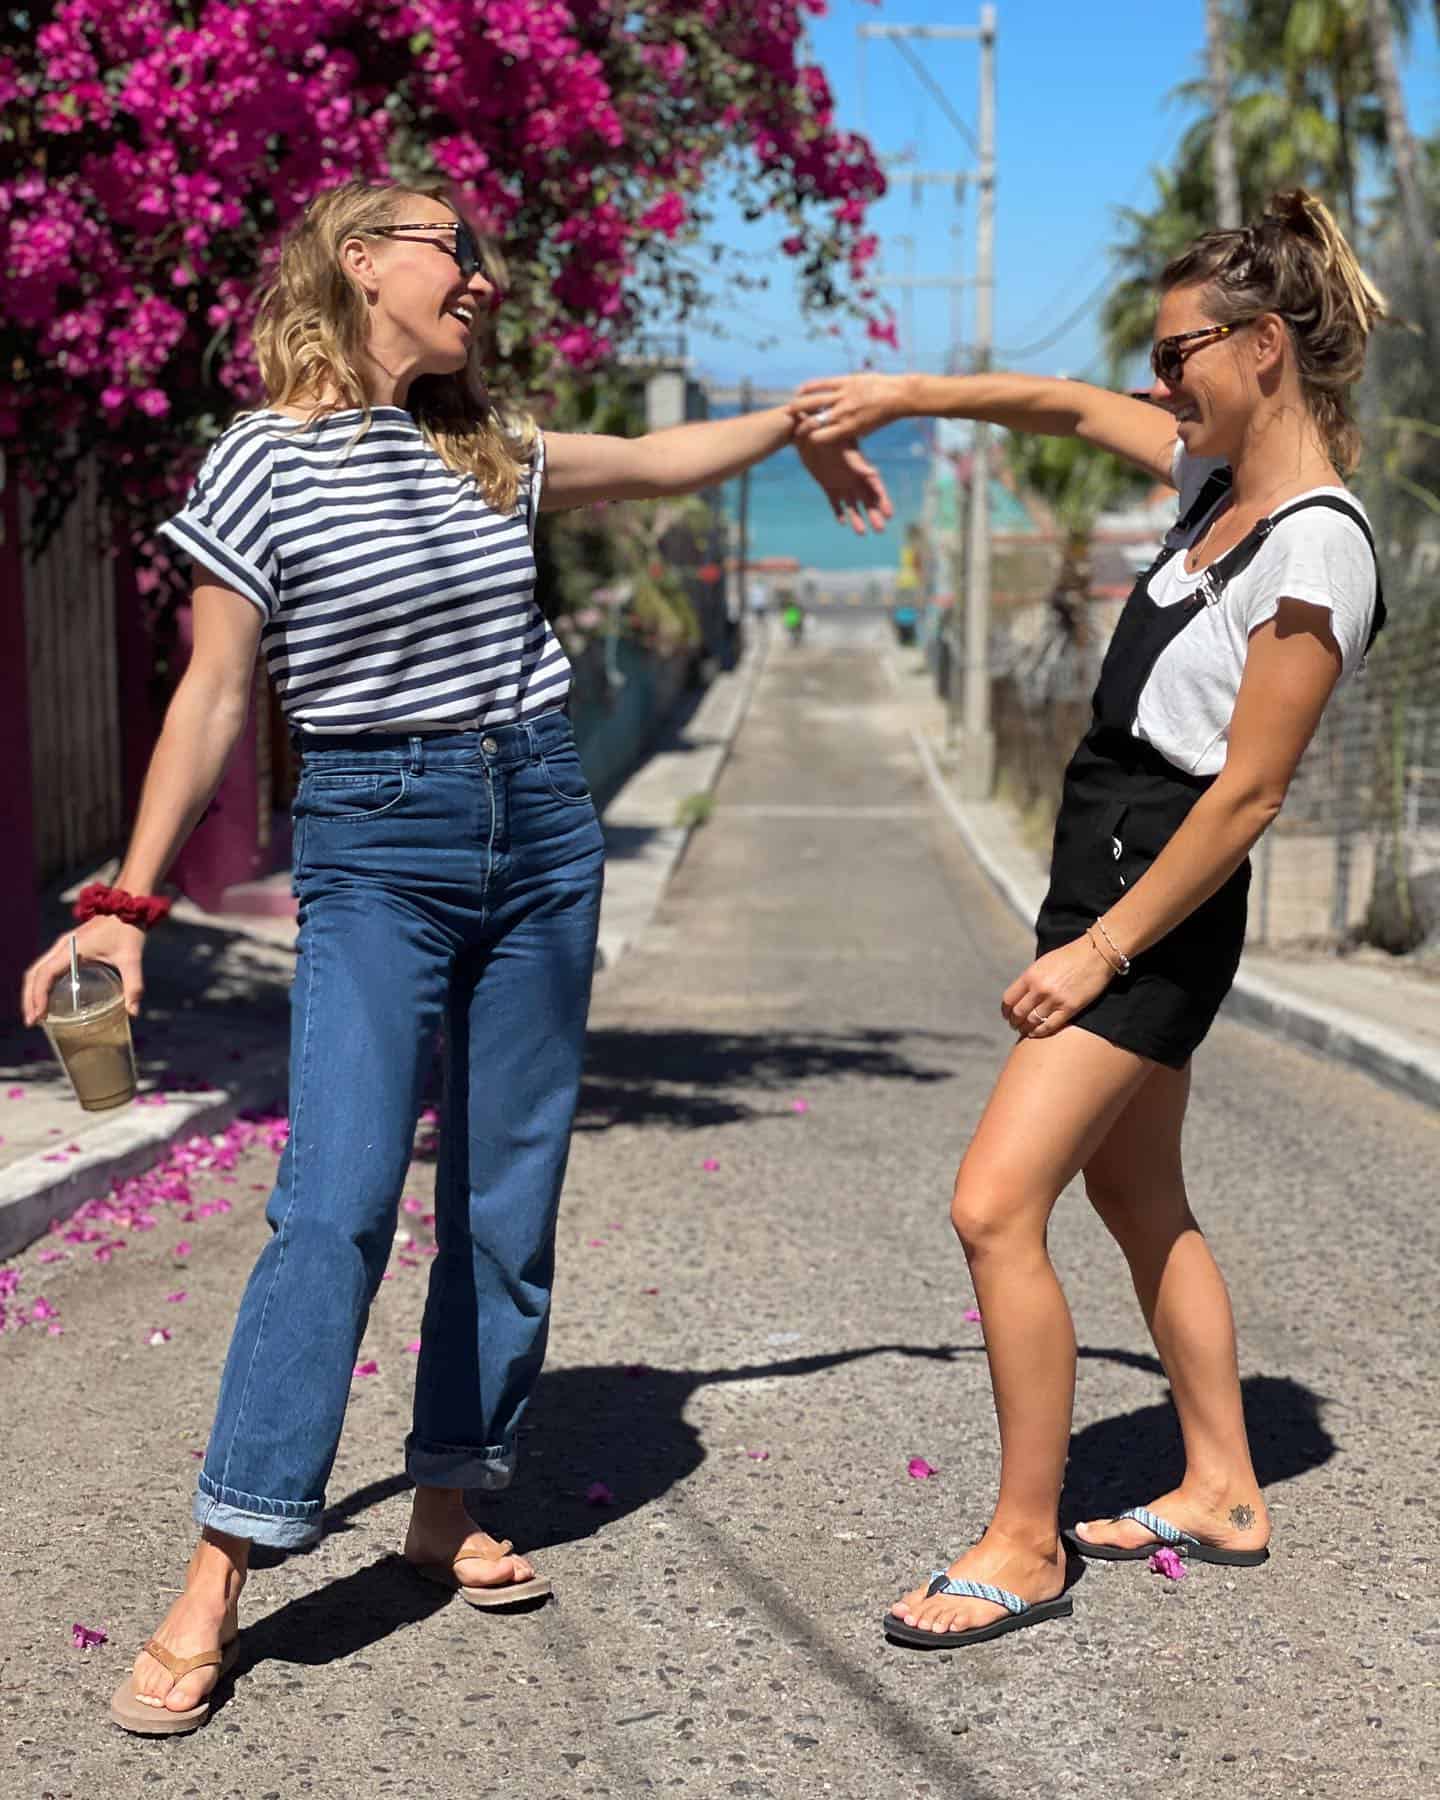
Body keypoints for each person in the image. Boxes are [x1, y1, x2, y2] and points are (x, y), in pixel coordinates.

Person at [20, 179, 891, 1733]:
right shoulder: (262, 460)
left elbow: (662, 456)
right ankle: (224, 1561)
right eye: (457, 247)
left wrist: (803, 422)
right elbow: (215, 699)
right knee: (337, 1202)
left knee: (506, 1193)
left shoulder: (489, 451)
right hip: (378, 837)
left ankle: (449, 1492)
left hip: (543, 822)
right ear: (364, 261)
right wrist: (126, 904)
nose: (485, 274)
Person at [793, 189, 1385, 1649]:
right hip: (1106, 868)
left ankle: (1022, 1541)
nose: (1154, 382)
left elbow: (1246, 798)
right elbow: (1058, 407)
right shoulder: (1211, 481)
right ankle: (1225, 1484)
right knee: (1137, 1199)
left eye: (1178, 354)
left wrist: (1100, 949)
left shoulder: (1315, 546)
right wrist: (909, 391)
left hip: (1153, 896)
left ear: (1260, 347)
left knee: (995, 1206)